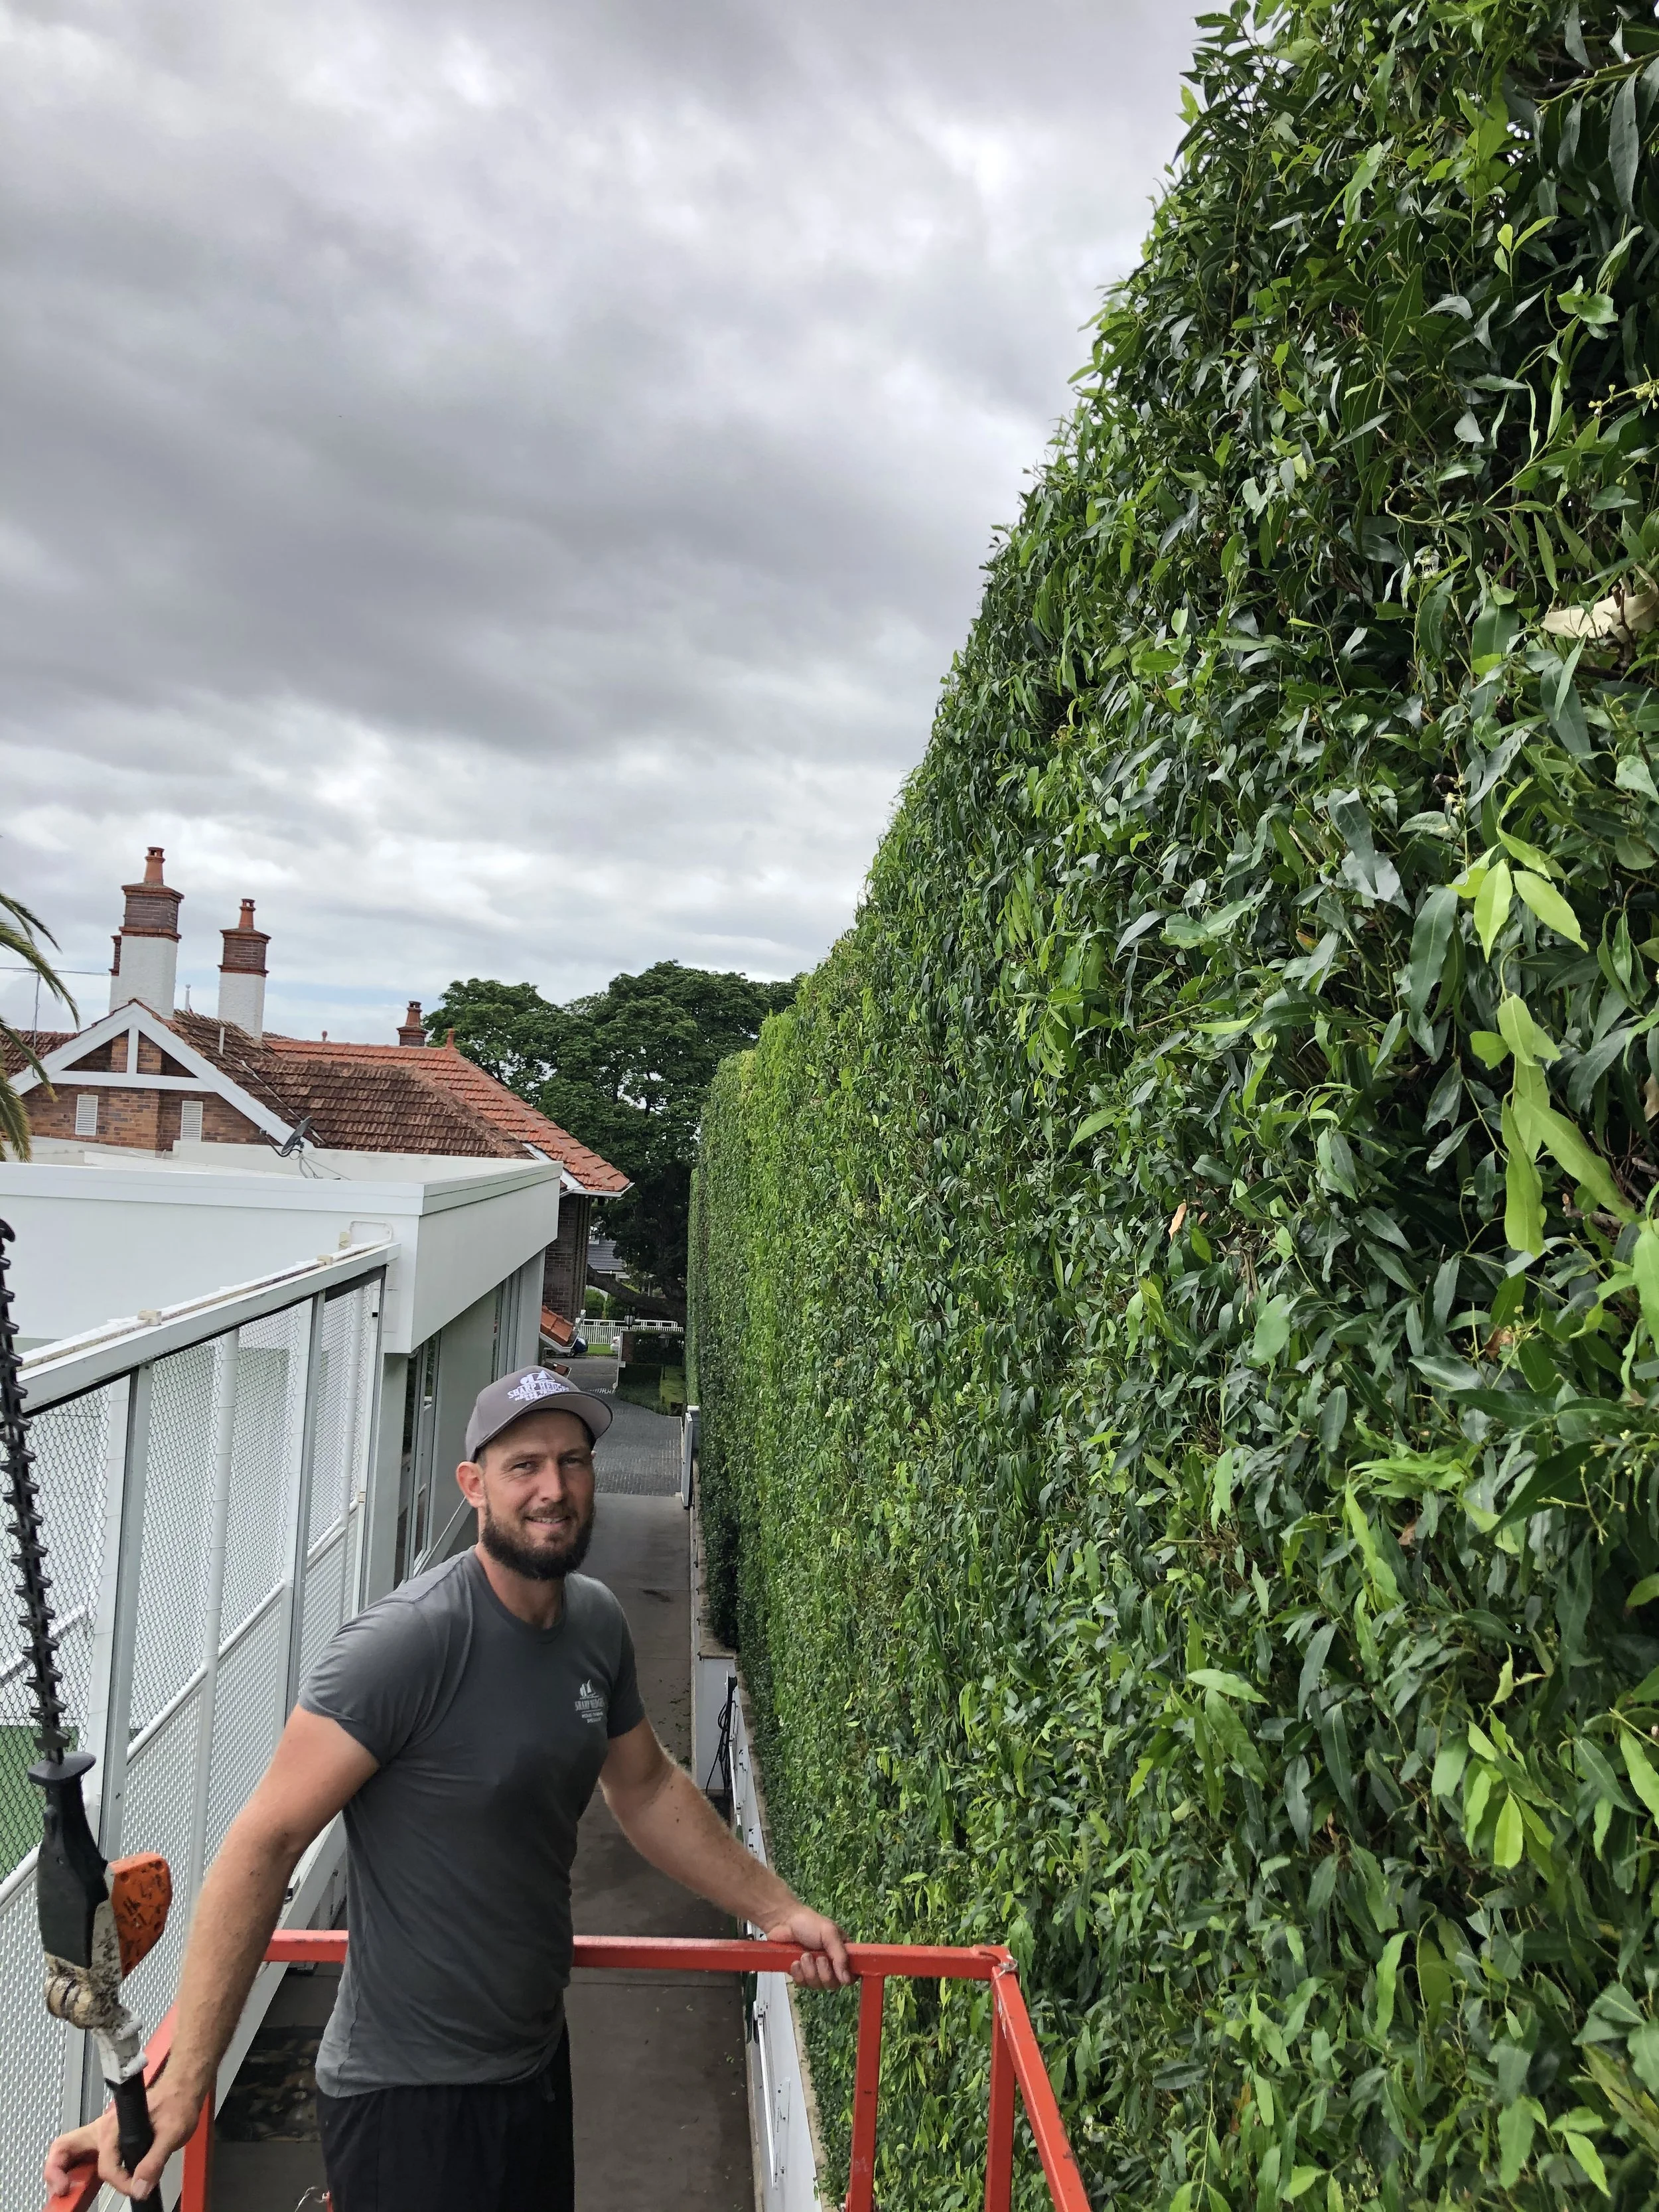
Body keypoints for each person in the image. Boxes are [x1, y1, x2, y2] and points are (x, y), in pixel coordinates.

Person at [46, 1364, 849, 2210]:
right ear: (474, 1485)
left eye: (572, 1462)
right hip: (409, 2100)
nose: (554, 1488)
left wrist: (775, 1909)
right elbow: (265, 1841)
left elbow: (645, 1788)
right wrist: (185, 2079)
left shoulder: (596, 1624)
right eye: (524, 1466)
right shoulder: (404, 1647)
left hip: (534, 2064)